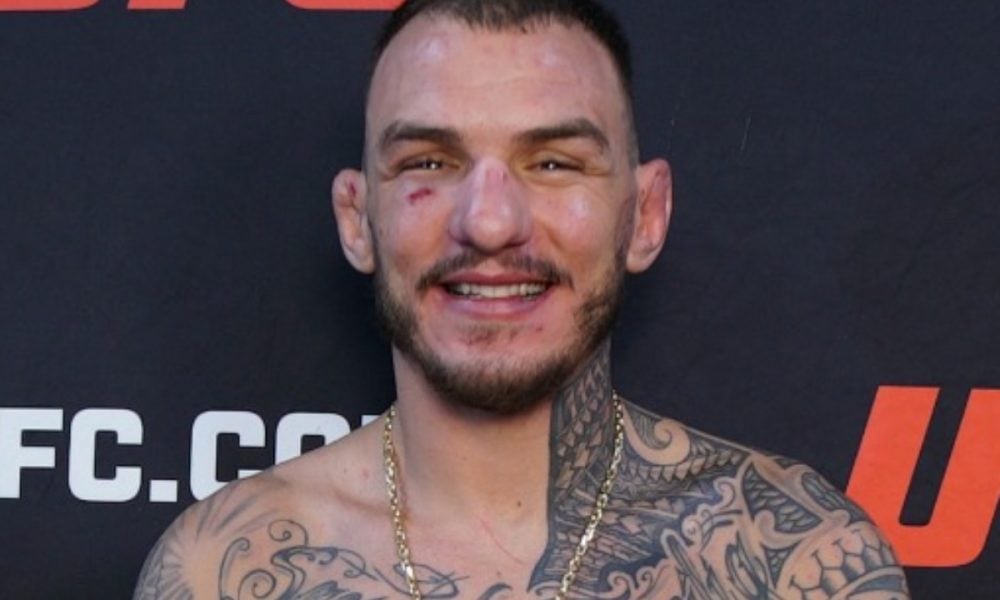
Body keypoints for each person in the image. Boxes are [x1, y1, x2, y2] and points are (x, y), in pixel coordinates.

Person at [134, 1, 910, 598]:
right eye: (430, 162)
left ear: (644, 216)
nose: (490, 221)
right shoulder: (222, 570)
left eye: (552, 162)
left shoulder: (794, 561)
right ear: (356, 219)